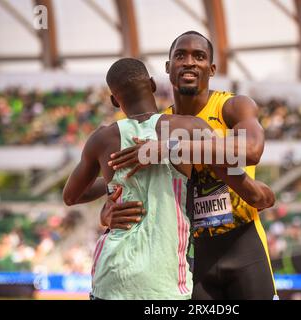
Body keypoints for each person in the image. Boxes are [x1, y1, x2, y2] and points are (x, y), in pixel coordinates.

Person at [63, 58, 275, 300]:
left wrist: (112, 196)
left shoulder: (101, 139)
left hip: (111, 278)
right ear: (153, 84)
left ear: (114, 100)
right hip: (164, 280)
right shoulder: (190, 127)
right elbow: (244, 181)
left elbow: (71, 196)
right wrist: (265, 195)